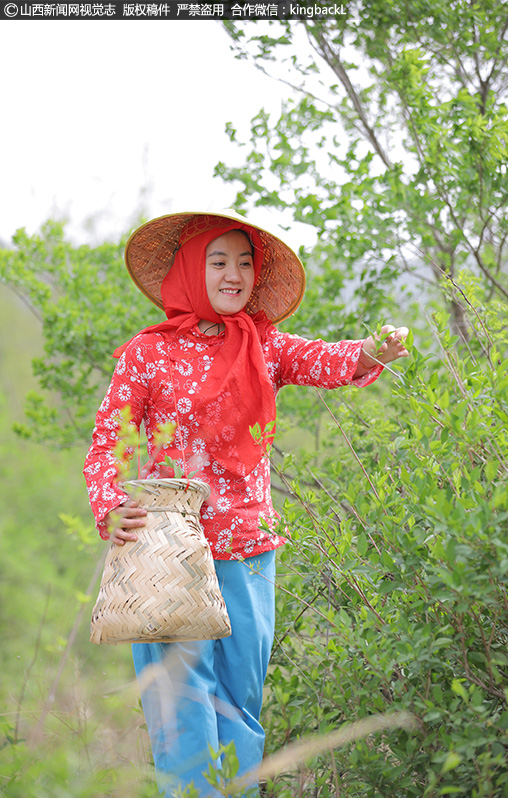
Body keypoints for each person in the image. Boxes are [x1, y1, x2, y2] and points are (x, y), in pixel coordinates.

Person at [83, 210, 409, 797]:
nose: (233, 274)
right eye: (218, 261)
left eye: (243, 262)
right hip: (168, 552)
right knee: (180, 699)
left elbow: (323, 360)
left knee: (240, 700)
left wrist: (370, 352)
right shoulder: (145, 355)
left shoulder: (263, 346)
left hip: (247, 549)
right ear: (190, 269)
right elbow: (106, 442)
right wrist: (109, 503)